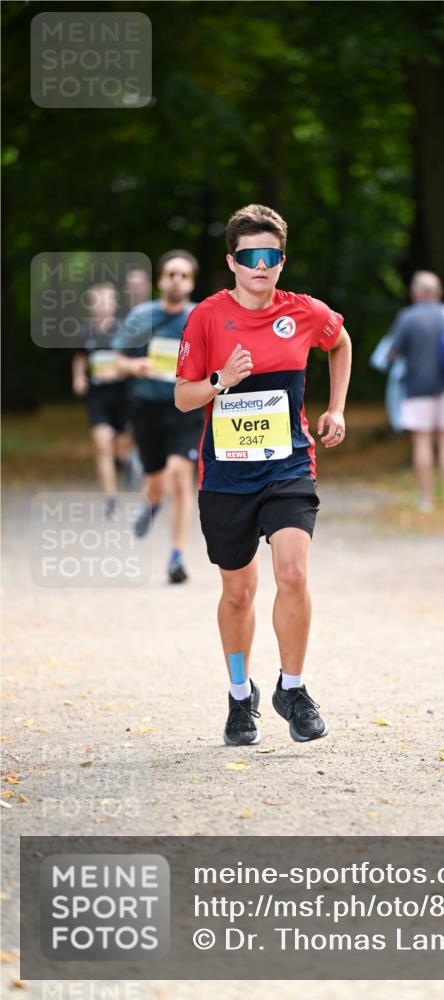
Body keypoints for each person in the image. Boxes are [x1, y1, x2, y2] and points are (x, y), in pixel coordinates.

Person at [174, 204, 352, 747]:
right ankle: (237, 696)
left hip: (288, 464)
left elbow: (339, 342)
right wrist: (220, 380)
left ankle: (292, 689)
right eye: (249, 256)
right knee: (238, 593)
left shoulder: (303, 312)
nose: (260, 265)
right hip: (226, 476)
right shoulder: (207, 317)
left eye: (270, 256)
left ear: (281, 260)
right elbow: (184, 399)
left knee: (293, 573)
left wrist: (336, 407)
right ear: (232, 260)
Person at [114, 250, 203, 583]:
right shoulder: (142, 316)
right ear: (160, 280)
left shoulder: (200, 317)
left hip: (186, 409)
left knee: (181, 477)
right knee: (156, 482)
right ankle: (151, 503)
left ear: (191, 282)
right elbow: (117, 360)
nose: (176, 280)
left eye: (183, 275)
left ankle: (176, 557)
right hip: (147, 408)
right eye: (171, 274)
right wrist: (134, 366)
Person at [389, 271, 444, 513]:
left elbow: (393, 354)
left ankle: (426, 500)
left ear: (415, 293)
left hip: (416, 388)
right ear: (438, 292)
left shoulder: (407, 317)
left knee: (422, 441)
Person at [72, 283, 132, 516]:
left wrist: (117, 372)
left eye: (107, 301)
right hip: (97, 395)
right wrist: (78, 378)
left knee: (120, 445)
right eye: (98, 301)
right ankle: (111, 499)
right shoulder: (85, 332)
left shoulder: (124, 330)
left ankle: (125, 460)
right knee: (101, 442)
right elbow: (79, 358)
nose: (103, 305)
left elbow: (135, 364)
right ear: (91, 305)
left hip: (123, 393)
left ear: (114, 304)